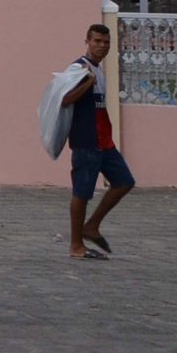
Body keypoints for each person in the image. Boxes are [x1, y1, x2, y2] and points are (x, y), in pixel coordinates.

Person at [60, 22, 134, 259]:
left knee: (124, 182)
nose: (102, 46)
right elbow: (64, 99)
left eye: (106, 42)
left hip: (104, 141)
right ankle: (75, 245)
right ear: (87, 41)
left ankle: (91, 226)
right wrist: (87, 83)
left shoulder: (97, 69)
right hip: (86, 139)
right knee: (82, 192)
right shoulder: (78, 68)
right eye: (97, 41)